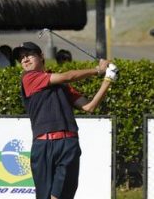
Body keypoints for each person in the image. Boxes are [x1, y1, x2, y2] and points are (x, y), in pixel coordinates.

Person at [13, 42, 118, 199]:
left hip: (68, 144)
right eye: (21, 58)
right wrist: (98, 70)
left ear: (41, 56)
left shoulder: (62, 85)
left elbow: (89, 106)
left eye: (29, 55)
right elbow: (68, 76)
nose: (25, 60)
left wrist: (108, 79)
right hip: (43, 146)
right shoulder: (29, 78)